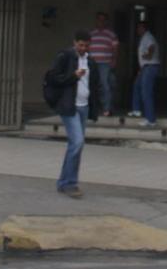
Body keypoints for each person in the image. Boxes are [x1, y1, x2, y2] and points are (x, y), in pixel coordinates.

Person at [45, 30, 101, 198]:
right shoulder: (65, 56)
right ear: (75, 42)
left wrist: (98, 106)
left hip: (84, 106)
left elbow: (95, 84)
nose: (83, 48)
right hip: (69, 106)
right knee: (77, 142)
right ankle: (70, 183)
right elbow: (53, 78)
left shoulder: (91, 62)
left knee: (76, 145)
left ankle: (64, 182)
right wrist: (73, 76)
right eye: (80, 45)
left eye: (86, 45)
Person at [129, 20, 160, 127]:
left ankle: (150, 120)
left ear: (143, 28)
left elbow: (152, 47)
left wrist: (148, 55)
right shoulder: (144, 38)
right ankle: (136, 110)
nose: (137, 30)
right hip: (145, 67)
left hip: (150, 67)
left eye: (139, 28)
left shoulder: (148, 37)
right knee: (137, 86)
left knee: (146, 92)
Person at [88, 12, 119, 117]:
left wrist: (114, 60)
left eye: (103, 20)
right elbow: (87, 48)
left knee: (104, 84)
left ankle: (106, 109)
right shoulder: (91, 33)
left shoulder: (111, 34)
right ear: (96, 20)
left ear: (106, 21)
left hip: (105, 63)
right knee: (93, 85)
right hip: (92, 63)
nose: (101, 21)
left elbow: (115, 48)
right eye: (99, 19)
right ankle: (94, 107)